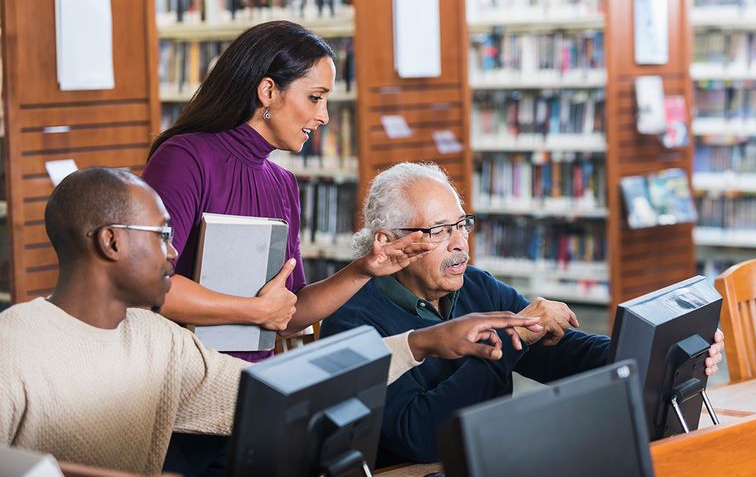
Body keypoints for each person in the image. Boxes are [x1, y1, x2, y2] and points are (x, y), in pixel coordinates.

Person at [0, 168, 542, 474]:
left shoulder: (159, 341)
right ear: (111, 241)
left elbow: (275, 395)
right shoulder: (14, 345)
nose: (174, 255)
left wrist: (422, 343)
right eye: (163, 237)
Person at [320, 162, 726, 466]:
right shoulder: (352, 321)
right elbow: (422, 437)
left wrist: (664, 352)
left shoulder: (476, 286)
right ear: (388, 242)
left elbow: (565, 354)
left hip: (490, 459)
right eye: (439, 231)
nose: (460, 244)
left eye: (462, 225)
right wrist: (512, 343)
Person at [143, 20, 432, 360]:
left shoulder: (282, 184)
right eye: (314, 98)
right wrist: (254, 311)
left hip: (252, 384)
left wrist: (364, 268)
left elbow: (288, 315)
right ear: (268, 91)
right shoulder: (184, 158)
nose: (324, 116)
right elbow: (147, 284)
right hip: (183, 379)